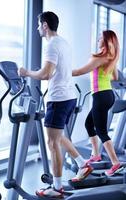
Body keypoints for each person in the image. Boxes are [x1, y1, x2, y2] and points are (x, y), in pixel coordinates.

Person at [18, 11, 93, 199]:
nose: (37, 29)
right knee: (58, 137)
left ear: (45, 25)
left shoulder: (51, 45)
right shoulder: (64, 43)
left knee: (52, 143)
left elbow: (45, 74)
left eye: (38, 25)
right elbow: (55, 71)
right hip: (68, 97)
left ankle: (57, 188)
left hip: (58, 99)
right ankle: (82, 163)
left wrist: (26, 72)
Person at [72, 30, 124, 177]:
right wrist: (103, 74)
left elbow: (79, 71)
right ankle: (96, 154)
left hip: (100, 95)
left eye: (101, 37)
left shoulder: (100, 57)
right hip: (107, 95)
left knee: (101, 131)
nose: (99, 39)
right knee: (89, 124)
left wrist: (59, 71)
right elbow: (114, 76)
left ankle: (116, 163)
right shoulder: (111, 58)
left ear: (107, 41)